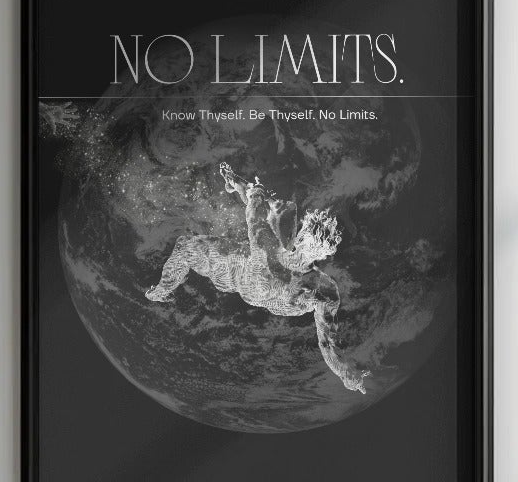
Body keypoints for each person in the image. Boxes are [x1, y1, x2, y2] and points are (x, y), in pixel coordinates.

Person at [144, 161, 369, 394]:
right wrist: (241, 184)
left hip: (238, 273)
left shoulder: (318, 287)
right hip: (247, 271)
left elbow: (328, 342)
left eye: (301, 247)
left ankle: (161, 292)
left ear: (315, 253)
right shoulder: (321, 288)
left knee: (187, 246)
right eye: (299, 243)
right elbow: (328, 341)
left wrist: (345, 373)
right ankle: (162, 291)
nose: (297, 248)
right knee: (270, 216)